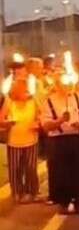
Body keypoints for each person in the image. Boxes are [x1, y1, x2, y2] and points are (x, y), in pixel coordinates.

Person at [41, 70, 79, 214]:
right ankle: (63, 202)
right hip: (58, 141)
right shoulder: (49, 101)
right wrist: (60, 121)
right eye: (64, 83)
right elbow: (45, 125)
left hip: (77, 139)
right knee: (61, 172)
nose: (68, 86)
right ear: (57, 84)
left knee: (78, 171)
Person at [0, 74, 41, 203]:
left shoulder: (33, 101)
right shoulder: (9, 101)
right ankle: (17, 192)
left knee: (31, 168)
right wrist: (7, 123)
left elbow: (41, 116)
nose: (25, 91)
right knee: (15, 169)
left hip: (31, 140)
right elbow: (1, 119)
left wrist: (37, 123)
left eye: (26, 89)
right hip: (14, 141)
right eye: (22, 89)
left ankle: (32, 192)